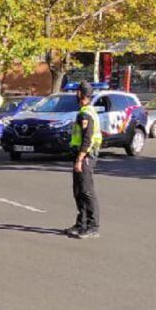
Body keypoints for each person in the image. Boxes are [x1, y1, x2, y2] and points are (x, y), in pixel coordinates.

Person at [65, 81, 102, 239]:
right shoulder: (85, 111)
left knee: (86, 191)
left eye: (77, 92)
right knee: (78, 191)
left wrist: (80, 160)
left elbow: (87, 139)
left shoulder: (86, 114)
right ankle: (81, 223)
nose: (76, 94)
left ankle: (93, 226)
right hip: (82, 155)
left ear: (81, 94)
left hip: (85, 156)